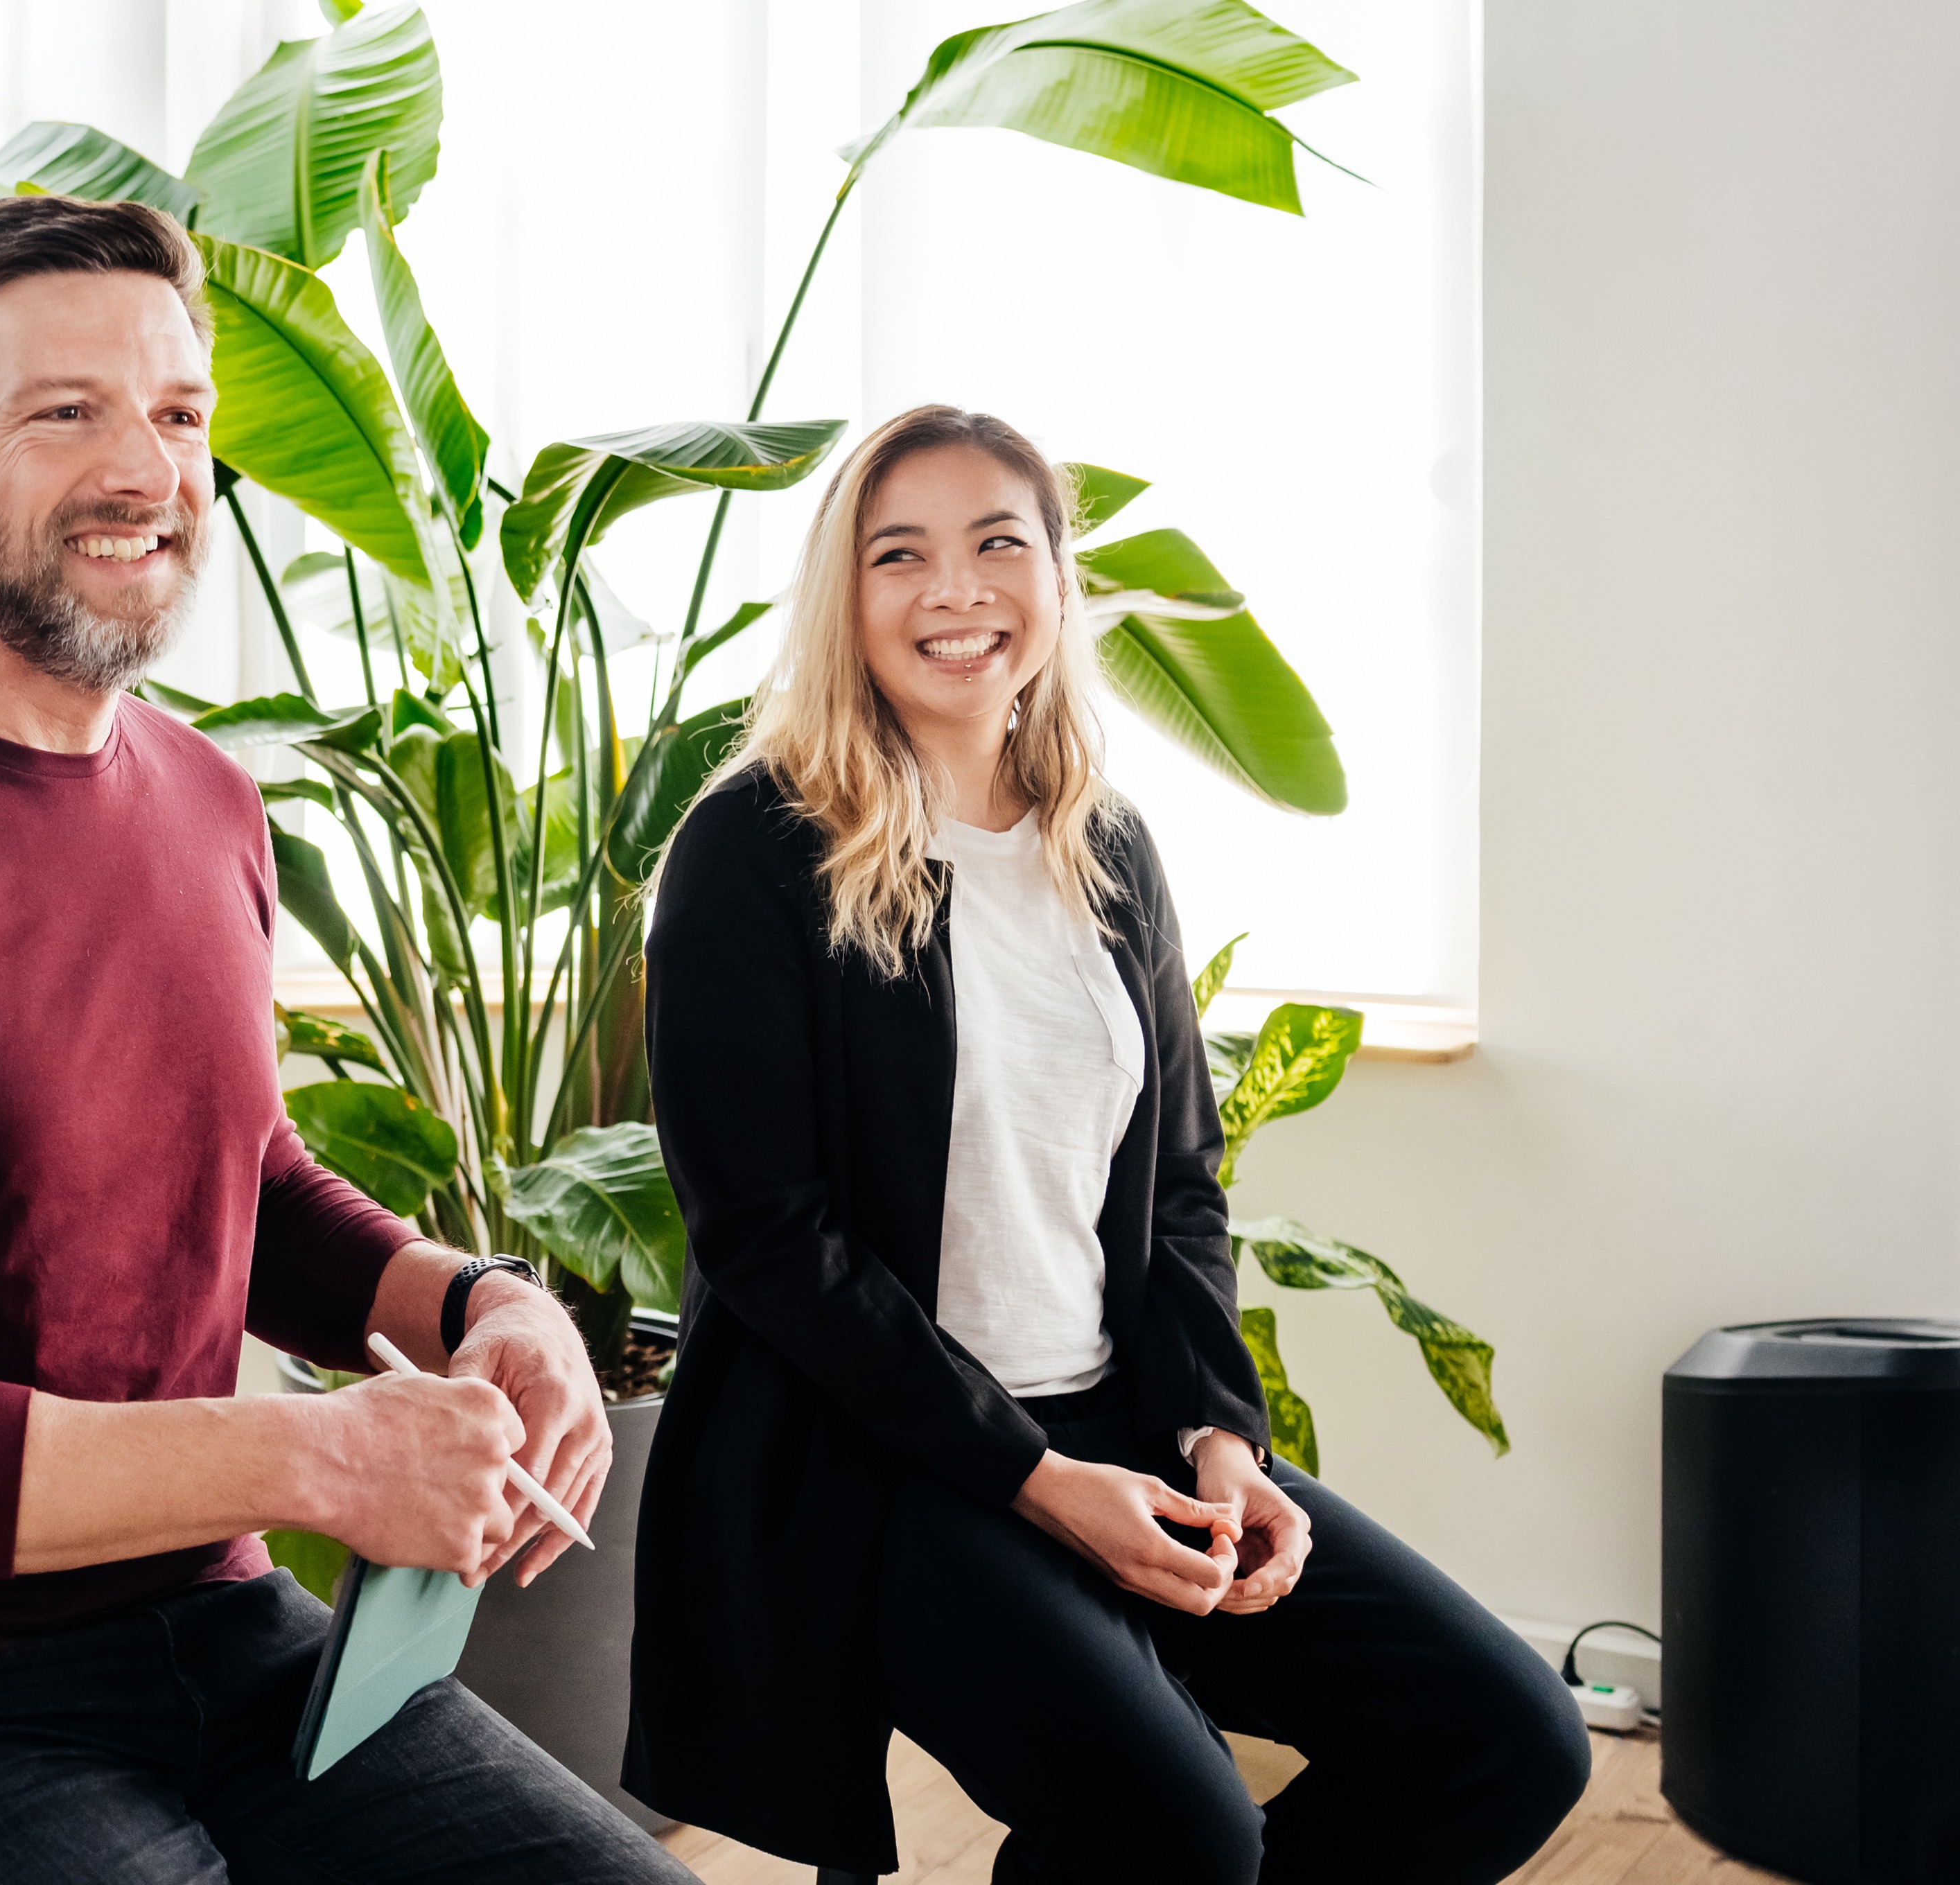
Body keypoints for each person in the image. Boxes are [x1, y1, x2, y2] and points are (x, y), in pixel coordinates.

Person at [0, 192, 693, 1885]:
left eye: (179, 415)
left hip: (218, 1638)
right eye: (67, 413)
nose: (149, 469)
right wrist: (316, 1454)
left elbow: (233, 1178)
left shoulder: (206, 800)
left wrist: (481, 1298)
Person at [626, 405, 1588, 1882]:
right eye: (903, 555)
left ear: (1059, 582)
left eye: (999, 543)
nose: (957, 591)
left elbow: (1185, 1188)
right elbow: (770, 1239)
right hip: (880, 1465)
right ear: (846, 596)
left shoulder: (1108, 844)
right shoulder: (755, 847)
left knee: (1512, 1737)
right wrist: (1035, 1477)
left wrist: (1218, 1438)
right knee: (1180, 1831)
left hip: (1117, 1421)